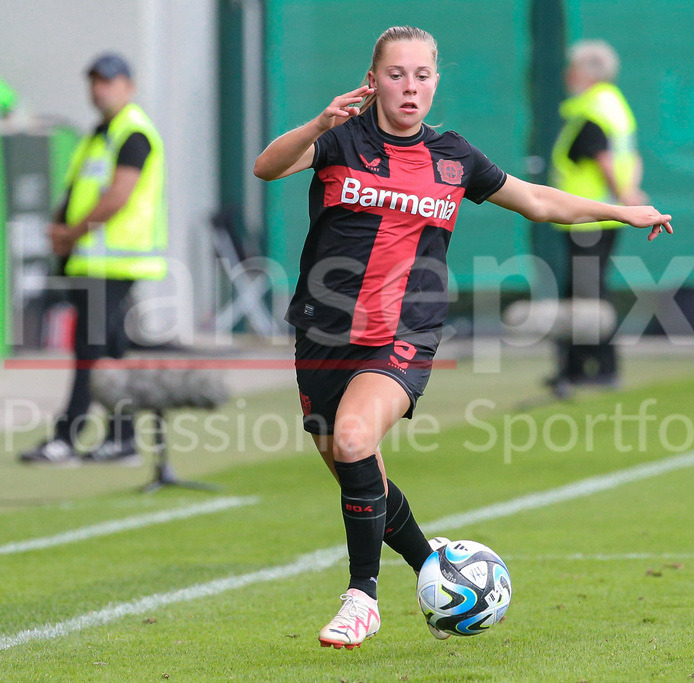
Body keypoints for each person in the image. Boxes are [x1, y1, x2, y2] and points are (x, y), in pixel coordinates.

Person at [253, 25, 671, 649]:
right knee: (351, 466)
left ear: (435, 81)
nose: (410, 87)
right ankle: (431, 565)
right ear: (375, 81)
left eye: (422, 75)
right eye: (397, 75)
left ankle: (361, 597)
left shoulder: (453, 156)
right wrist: (316, 125)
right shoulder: (341, 139)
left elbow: (535, 200)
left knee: (355, 437)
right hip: (321, 332)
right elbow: (267, 167)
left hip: (403, 331)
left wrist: (622, 209)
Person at [18, 53, 167, 466]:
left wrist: (71, 232)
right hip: (95, 262)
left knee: (90, 349)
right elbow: (80, 192)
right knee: (109, 350)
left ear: (128, 85)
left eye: (108, 80)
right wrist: (63, 231)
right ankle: (120, 439)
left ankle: (70, 437)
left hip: (112, 263)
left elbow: (118, 195)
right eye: (95, 80)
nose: (98, 88)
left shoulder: (131, 133)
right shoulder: (100, 134)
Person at [545, 39, 647, 399]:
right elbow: (631, 157)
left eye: (573, 67)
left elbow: (604, 159)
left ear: (588, 72)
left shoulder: (592, 108)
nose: (567, 74)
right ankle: (578, 367)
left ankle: (599, 368)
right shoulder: (615, 106)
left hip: (589, 218)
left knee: (587, 296)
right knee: (586, 293)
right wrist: (629, 195)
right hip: (599, 217)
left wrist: (623, 198)